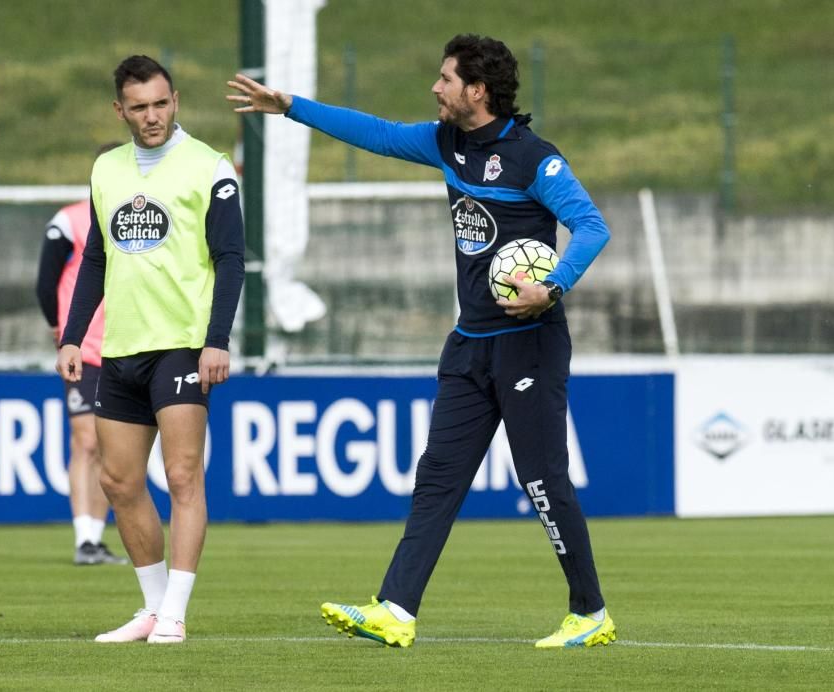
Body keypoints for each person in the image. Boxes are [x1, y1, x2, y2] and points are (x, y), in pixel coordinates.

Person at [228, 34, 614, 649]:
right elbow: (375, 133)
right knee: (437, 477)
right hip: (469, 344)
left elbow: (592, 227)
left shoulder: (534, 159)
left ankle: (590, 611)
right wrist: (291, 105)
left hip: (529, 342)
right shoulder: (445, 143)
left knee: (540, 478)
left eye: (445, 79)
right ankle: (396, 610)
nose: (435, 88)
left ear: (477, 90)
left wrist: (554, 285)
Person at [58, 55, 245, 644]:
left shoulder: (209, 167)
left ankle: (176, 615)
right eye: (138, 107)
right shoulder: (106, 170)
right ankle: (152, 607)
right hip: (121, 348)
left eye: (160, 103)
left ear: (176, 100)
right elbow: (94, 258)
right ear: (121, 110)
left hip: (183, 346)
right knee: (118, 481)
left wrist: (217, 341)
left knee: (183, 474)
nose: (152, 116)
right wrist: (71, 333)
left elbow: (231, 259)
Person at [36, 142, 129, 567]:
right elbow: (45, 282)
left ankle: (96, 536)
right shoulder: (69, 220)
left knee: (113, 449)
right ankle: (84, 538)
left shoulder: (142, 221)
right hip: (87, 351)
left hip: (131, 345)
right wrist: (62, 330)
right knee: (86, 441)